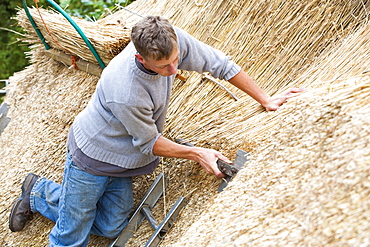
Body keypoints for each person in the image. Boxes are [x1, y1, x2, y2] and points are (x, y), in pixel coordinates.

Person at [9, 16, 303, 246]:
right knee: (72, 235)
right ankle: (37, 194)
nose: (175, 70)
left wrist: (265, 99)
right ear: (141, 59)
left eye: (176, 59)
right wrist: (196, 153)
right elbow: (149, 142)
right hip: (93, 158)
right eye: (164, 67)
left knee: (111, 226)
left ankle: (37, 191)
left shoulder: (168, 41)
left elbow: (219, 64)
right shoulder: (125, 89)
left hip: (122, 161)